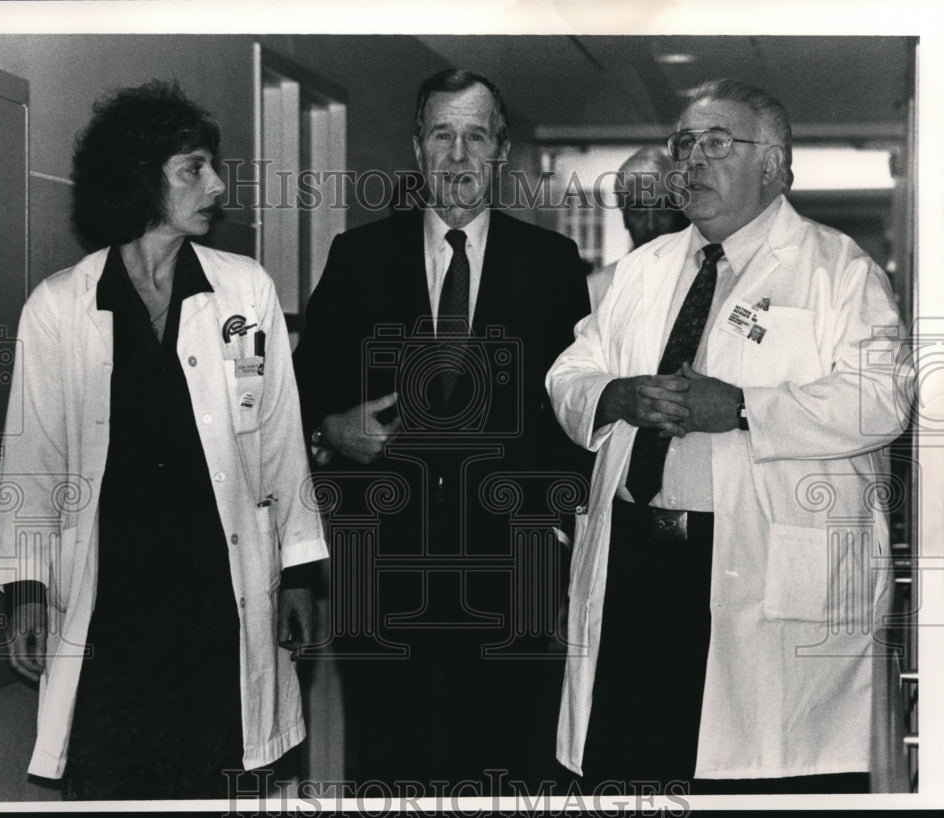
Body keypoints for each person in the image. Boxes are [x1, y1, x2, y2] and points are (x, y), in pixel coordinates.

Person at [546, 79, 912, 794]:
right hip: (636, 563)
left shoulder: (838, 269)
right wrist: (616, 394)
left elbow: (884, 396)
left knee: (752, 784)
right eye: (685, 144)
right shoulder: (640, 271)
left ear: (775, 164)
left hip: (758, 563)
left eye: (717, 143)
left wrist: (743, 408)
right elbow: (570, 372)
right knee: (633, 770)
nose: (692, 160)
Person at [0, 80, 327, 800]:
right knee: (116, 777)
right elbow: (34, 459)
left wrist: (299, 573)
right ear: (141, 180)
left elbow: (279, 441)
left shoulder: (246, 291)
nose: (215, 185)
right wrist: (27, 590)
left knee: (222, 777)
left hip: (219, 593)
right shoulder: (59, 307)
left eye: (211, 166)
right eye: (193, 169)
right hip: (114, 600)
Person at [292, 68, 592, 788]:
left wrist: (552, 530)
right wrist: (335, 429)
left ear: (501, 152)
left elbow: (574, 414)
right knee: (387, 767)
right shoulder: (358, 257)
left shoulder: (550, 265)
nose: (458, 156)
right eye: (442, 135)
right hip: (381, 567)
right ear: (417, 149)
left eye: (475, 137)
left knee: (509, 765)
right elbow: (297, 398)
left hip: (514, 570)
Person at [586, 146, 689, 307]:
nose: (651, 225)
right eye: (638, 210)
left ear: (680, 213)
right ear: (625, 218)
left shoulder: (702, 282)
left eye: (662, 209)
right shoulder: (599, 288)